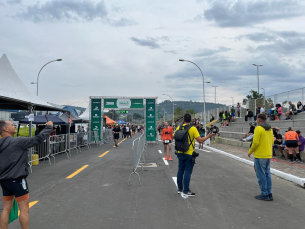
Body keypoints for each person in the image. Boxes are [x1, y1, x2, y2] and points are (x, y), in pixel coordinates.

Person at [0, 120, 54, 229]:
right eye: (12, 125)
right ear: (5, 129)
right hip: (18, 179)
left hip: (4, 180)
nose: (14, 126)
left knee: (6, 209)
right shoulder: (18, 141)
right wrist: (48, 127)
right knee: (24, 209)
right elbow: (38, 139)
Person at [175, 114, 214, 198]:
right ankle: (186, 191)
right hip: (189, 153)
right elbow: (200, 141)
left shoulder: (178, 128)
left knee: (180, 170)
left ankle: (179, 189)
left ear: (184, 119)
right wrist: (208, 136)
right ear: (191, 120)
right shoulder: (193, 129)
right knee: (187, 172)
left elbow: (173, 136)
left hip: (179, 152)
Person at [248, 114, 273, 201]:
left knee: (260, 174)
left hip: (260, 155)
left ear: (258, 119)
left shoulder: (258, 128)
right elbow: (272, 141)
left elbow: (255, 143)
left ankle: (264, 193)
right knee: (267, 174)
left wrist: (250, 151)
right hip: (268, 154)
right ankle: (269, 192)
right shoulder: (270, 129)